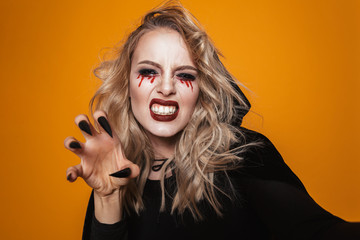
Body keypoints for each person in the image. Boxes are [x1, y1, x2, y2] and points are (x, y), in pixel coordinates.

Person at [64, 1, 360, 239]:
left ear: (201, 90)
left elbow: (322, 232)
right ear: (126, 86)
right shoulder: (114, 176)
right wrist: (107, 199)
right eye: (149, 71)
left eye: (184, 75)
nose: (166, 88)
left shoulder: (243, 156)